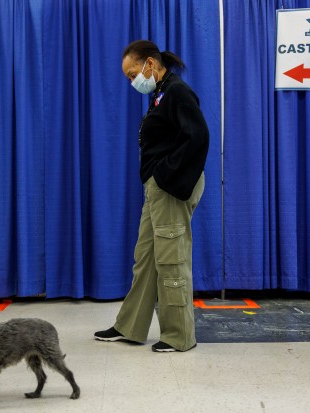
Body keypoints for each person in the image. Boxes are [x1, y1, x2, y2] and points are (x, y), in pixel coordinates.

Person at [94, 40, 209, 352]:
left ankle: (178, 336)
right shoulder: (161, 94)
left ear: (150, 63)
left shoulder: (177, 92)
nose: (133, 81)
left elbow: (198, 137)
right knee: (145, 258)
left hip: (169, 189)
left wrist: (166, 176)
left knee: (172, 260)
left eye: (133, 74)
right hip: (157, 190)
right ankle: (130, 326)